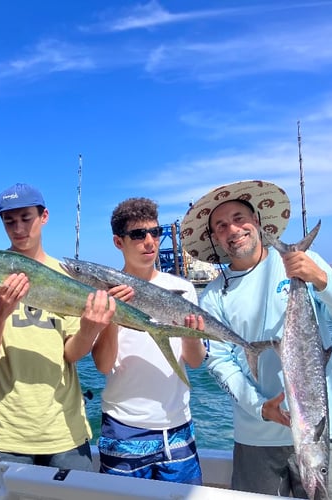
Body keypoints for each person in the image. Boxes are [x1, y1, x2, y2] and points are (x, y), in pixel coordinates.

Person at [180, 179, 332, 499]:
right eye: (220, 226)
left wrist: (319, 279)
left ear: (258, 222)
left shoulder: (305, 263)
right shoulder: (212, 296)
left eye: (238, 218)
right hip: (256, 441)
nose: (232, 229)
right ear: (215, 238)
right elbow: (219, 361)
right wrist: (259, 407)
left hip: (326, 433)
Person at [0, 182, 116, 499]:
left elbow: (71, 353)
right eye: (10, 221)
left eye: (26, 218)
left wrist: (91, 328)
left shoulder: (69, 276)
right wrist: (0, 312)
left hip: (65, 431)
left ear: (44, 216)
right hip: (4, 434)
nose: (18, 228)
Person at [91, 197, 206, 484]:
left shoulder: (182, 289)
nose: (150, 242)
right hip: (123, 427)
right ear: (119, 242)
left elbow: (194, 361)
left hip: (178, 427)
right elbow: (104, 366)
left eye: (155, 232)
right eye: (138, 234)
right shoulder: (103, 292)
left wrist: (191, 333)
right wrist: (113, 317)